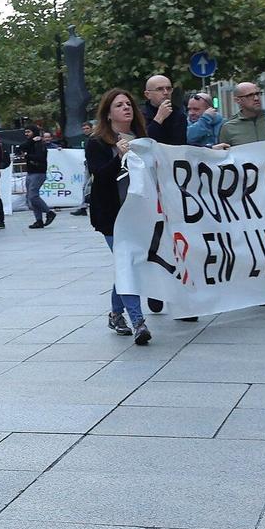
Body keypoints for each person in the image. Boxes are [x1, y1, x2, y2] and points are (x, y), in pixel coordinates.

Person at [85, 88, 151, 345]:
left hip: (139, 213)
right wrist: (119, 157)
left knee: (130, 264)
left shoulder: (142, 139)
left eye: (129, 104)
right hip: (112, 215)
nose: (126, 108)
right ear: (108, 114)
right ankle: (138, 322)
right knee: (128, 263)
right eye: (119, 105)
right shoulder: (98, 142)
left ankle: (115, 313)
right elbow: (100, 176)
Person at [216, 82, 265, 147]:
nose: (256, 98)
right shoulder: (228, 127)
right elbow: (223, 152)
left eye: (258, 94)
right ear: (237, 100)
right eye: (250, 95)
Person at [19, 123, 54, 228]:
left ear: (34, 132)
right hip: (31, 172)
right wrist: (31, 141)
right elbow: (20, 148)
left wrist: (27, 156)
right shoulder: (31, 143)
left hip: (38, 172)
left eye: (28, 132)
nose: (26, 134)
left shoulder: (40, 144)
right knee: (32, 198)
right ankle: (39, 220)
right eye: (25, 132)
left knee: (33, 196)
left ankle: (49, 212)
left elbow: (40, 157)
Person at [143, 75, 187, 146]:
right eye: (160, 89)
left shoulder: (179, 114)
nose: (166, 92)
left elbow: (180, 144)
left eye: (168, 89)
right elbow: (145, 142)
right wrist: (159, 118)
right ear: (148, 94)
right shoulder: (139, 115)